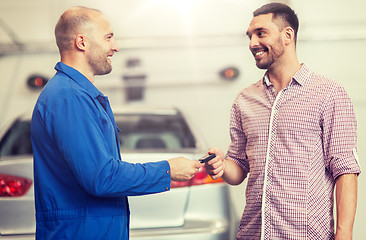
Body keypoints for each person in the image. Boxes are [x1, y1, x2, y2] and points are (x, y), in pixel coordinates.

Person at [30, 6, 202, 240]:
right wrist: (168, 169)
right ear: (82, 42)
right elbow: (102, 178)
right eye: (108, 37)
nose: (115, 46)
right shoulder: (69, 98)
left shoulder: (79, 95)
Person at [204, 3, 361, 240]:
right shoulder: (244, 100)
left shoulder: (329, 94)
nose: (252, 43)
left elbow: (345, 170)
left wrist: (344, 234)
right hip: (253, 234)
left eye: (261, 33)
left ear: (287, 35)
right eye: (250, 36)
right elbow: (239, 167)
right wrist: (222, 166)